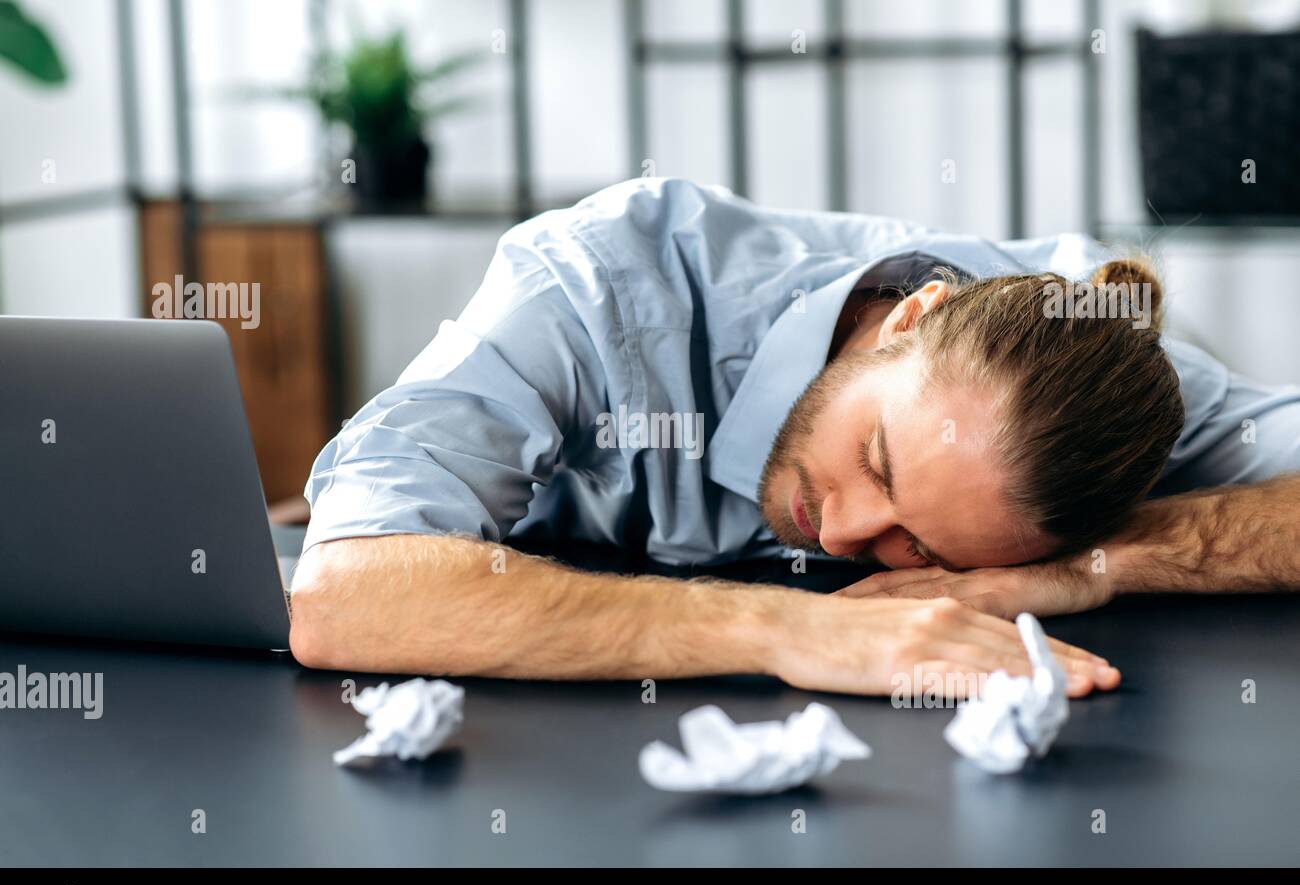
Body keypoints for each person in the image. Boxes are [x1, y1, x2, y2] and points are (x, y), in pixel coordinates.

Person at [289, 178, 1300, 697]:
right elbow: (345, 599)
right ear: (906, 316)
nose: (850, 531)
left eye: (925, 548)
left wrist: (1102, 562)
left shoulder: (1103, 372)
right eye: (878, 458)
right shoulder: (594, 281)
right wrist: (788, 628)